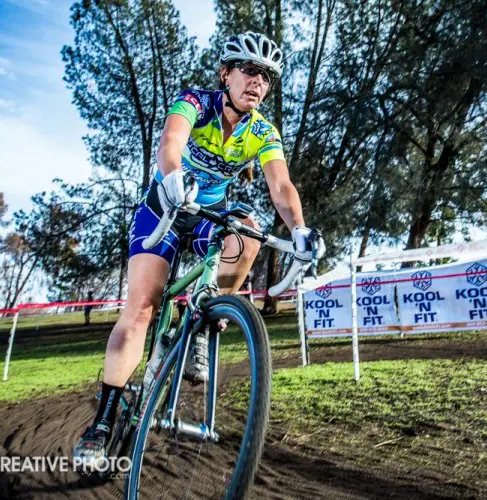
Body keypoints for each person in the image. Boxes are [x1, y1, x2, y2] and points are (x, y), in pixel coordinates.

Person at [74, 32, 324, 467]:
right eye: (249, 71)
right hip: (167, 206)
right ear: (226, 73)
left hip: (210, 214)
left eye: (266, 77)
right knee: (142, 307)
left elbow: (280, 185)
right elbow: (170, 143)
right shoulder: (194, 102)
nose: (258, 83)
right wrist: (172, 178)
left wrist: (300, 228)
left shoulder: (263, 130)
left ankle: (206, 317)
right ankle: (102, 422)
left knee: (248, 233)